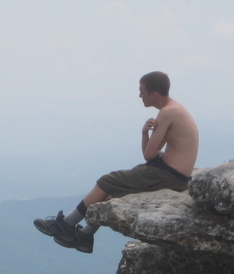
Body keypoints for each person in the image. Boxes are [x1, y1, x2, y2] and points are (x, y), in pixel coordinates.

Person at [34, 71, 199, 253]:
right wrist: (145, 133)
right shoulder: (174, 110)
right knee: (113, 194)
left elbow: (149, 154)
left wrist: (146, 136)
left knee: (108, 181)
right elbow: (151, 153)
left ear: (154, 94)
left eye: (142, 91)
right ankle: (85, 236)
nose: (140, 96)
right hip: (173, 174)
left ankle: (65, 225)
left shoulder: (167, 113)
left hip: (169, 174)